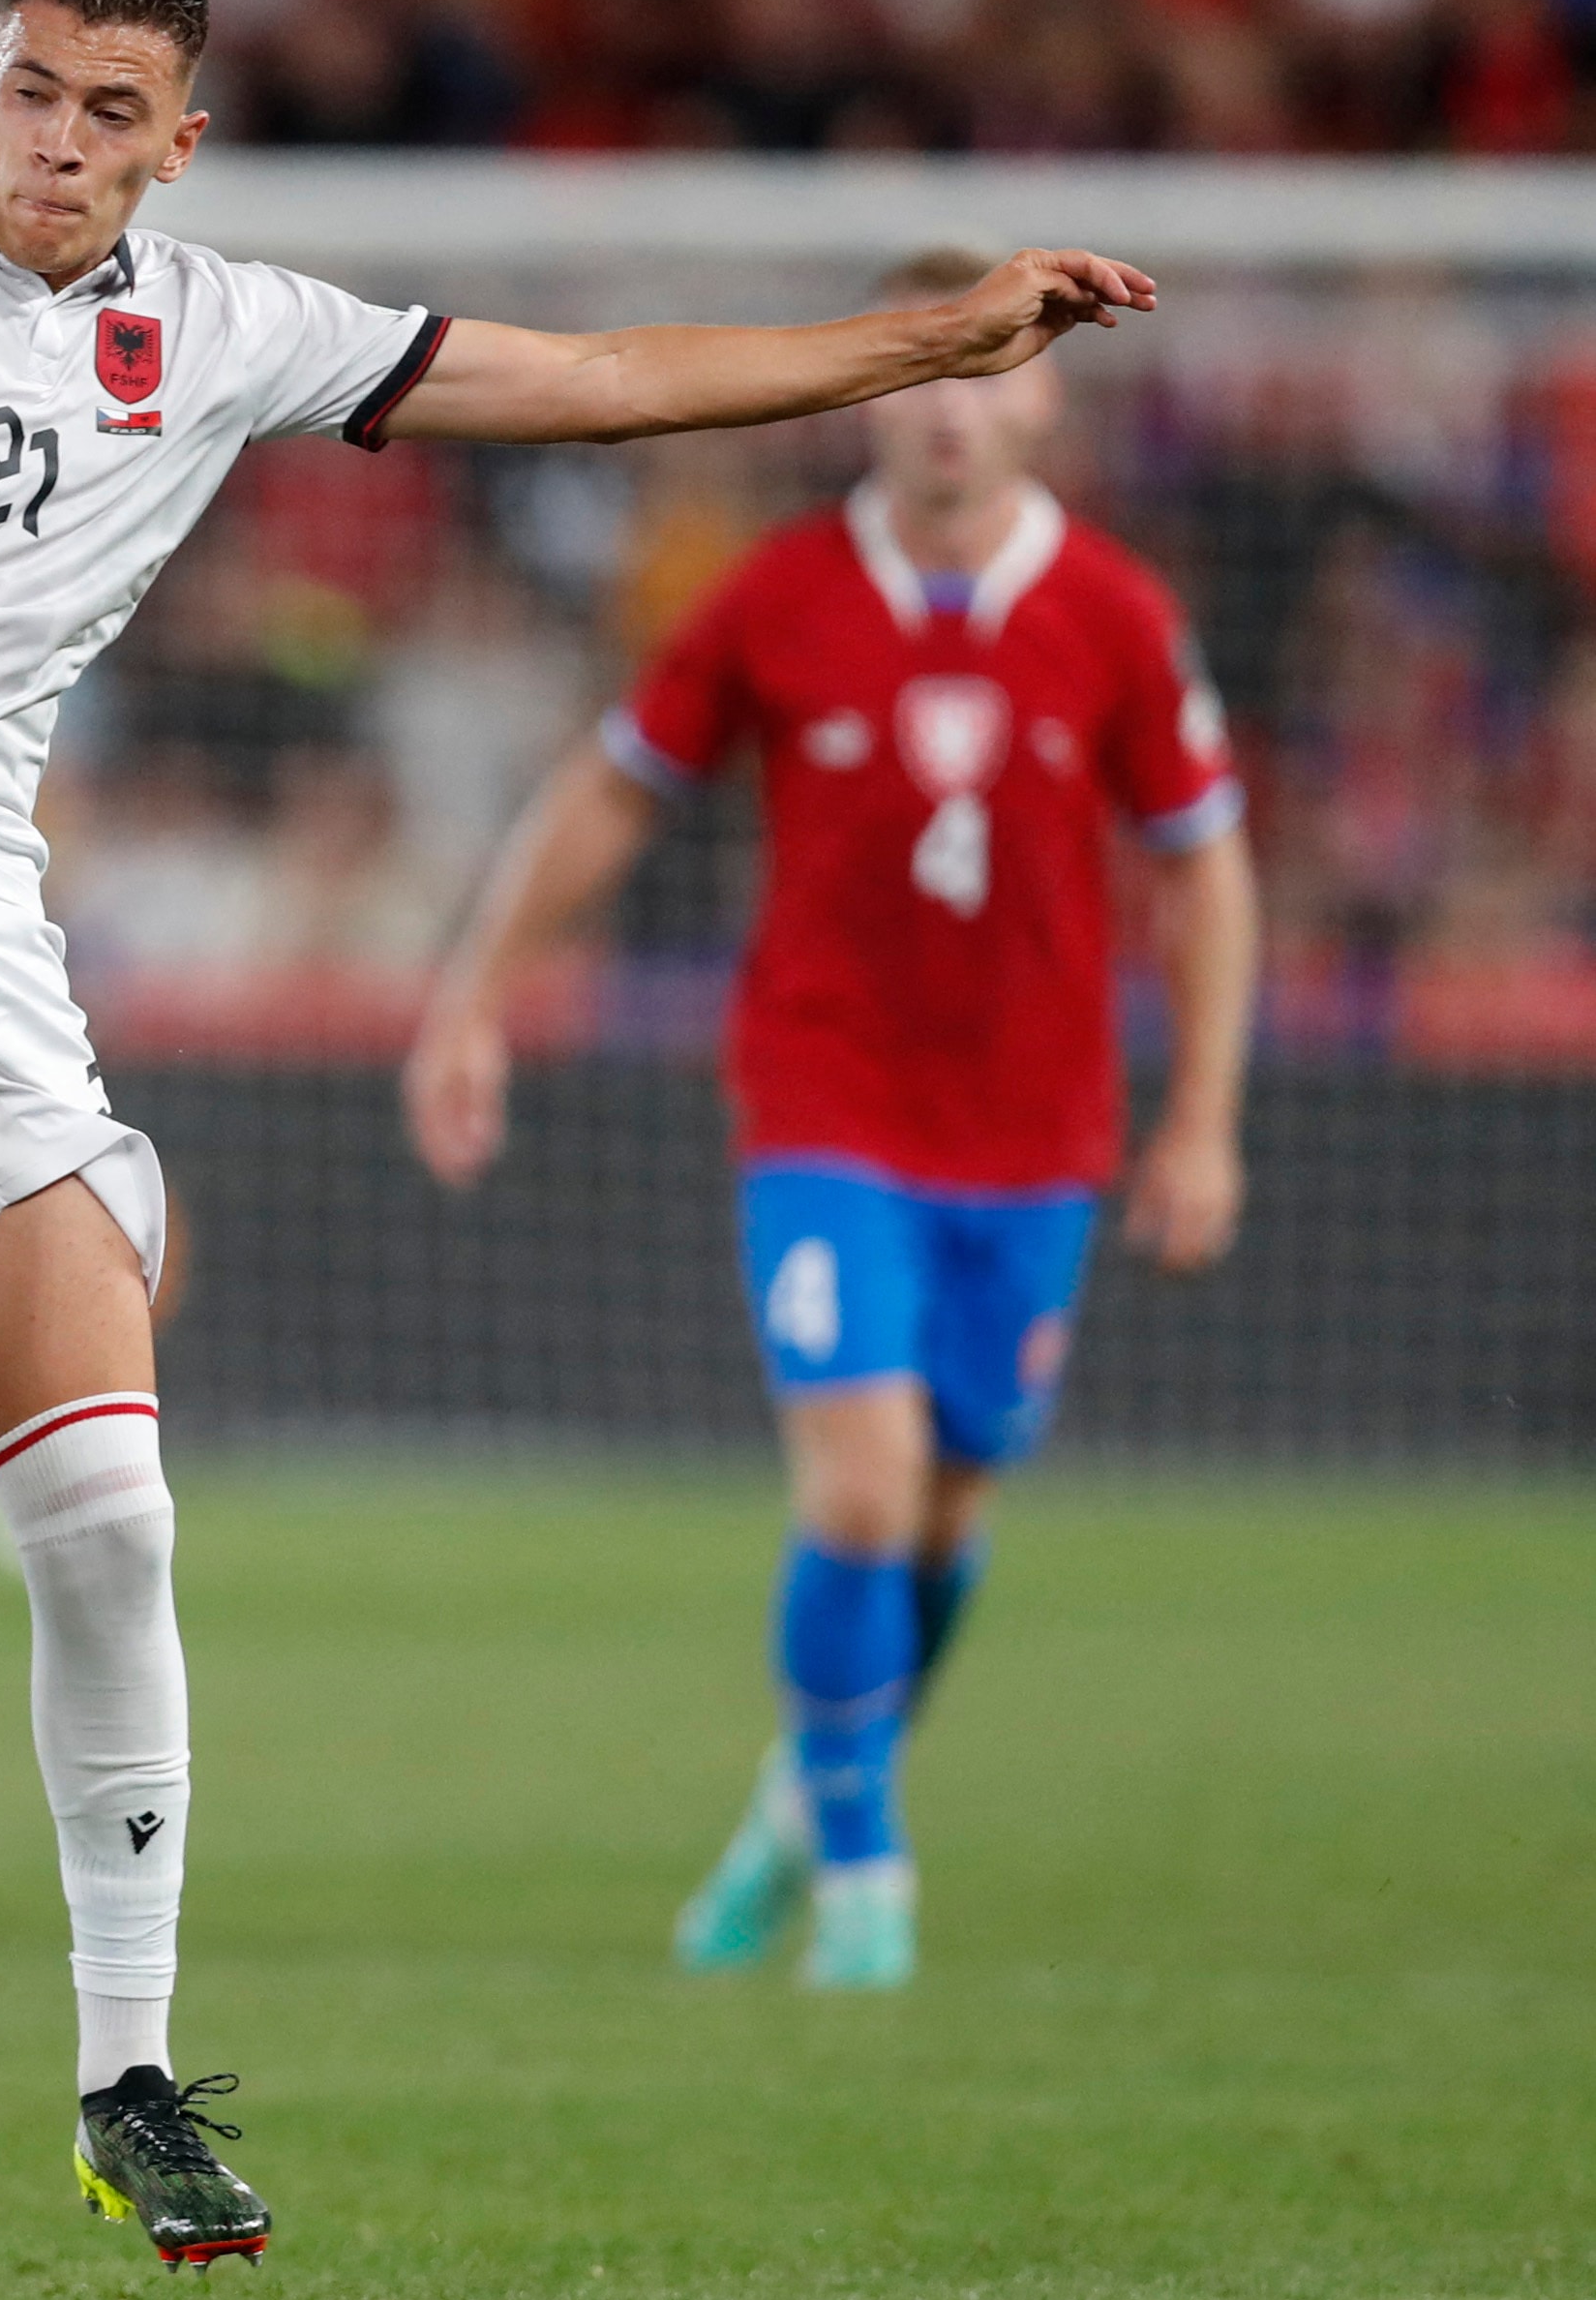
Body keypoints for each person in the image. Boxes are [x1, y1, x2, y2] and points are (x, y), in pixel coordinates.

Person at [0, 0, 1159, 2262]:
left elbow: (616, 376)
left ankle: (126, 2069)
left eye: (108, 113)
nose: (55, 143)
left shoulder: (223, 328)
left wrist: (928, 338)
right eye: (28, 93)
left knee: (115, 1521)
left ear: (178, 139)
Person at [406, 249, 1258, 1989]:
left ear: (1042, 397)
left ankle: (799, 1799)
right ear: (875, 391)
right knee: (860, 1495)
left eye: (990, 375)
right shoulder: (776, 600)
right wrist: (474, 993)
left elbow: (1205, 868)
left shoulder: (1112, 614)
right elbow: (605, 795)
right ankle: (865, 1874)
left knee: (943, 1521)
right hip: (823, 1105)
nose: (952, 412)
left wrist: (1207, 1118)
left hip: (1035, 1133)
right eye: (925, 374)